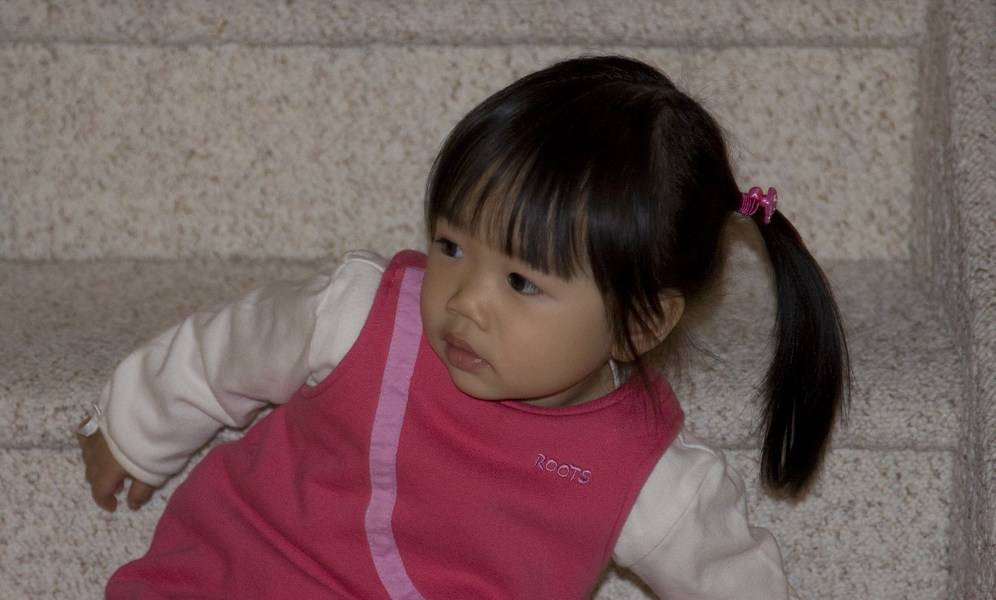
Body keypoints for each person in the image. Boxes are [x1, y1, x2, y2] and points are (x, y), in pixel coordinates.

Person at [78, 55, 849, 599]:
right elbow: (230, 348)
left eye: (522, 281)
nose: (465, 300)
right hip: (237, 576)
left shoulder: (646, 476)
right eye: (451, 246)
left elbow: (734, 582)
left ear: (639, 321)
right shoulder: (362, 315)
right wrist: (136, 427)